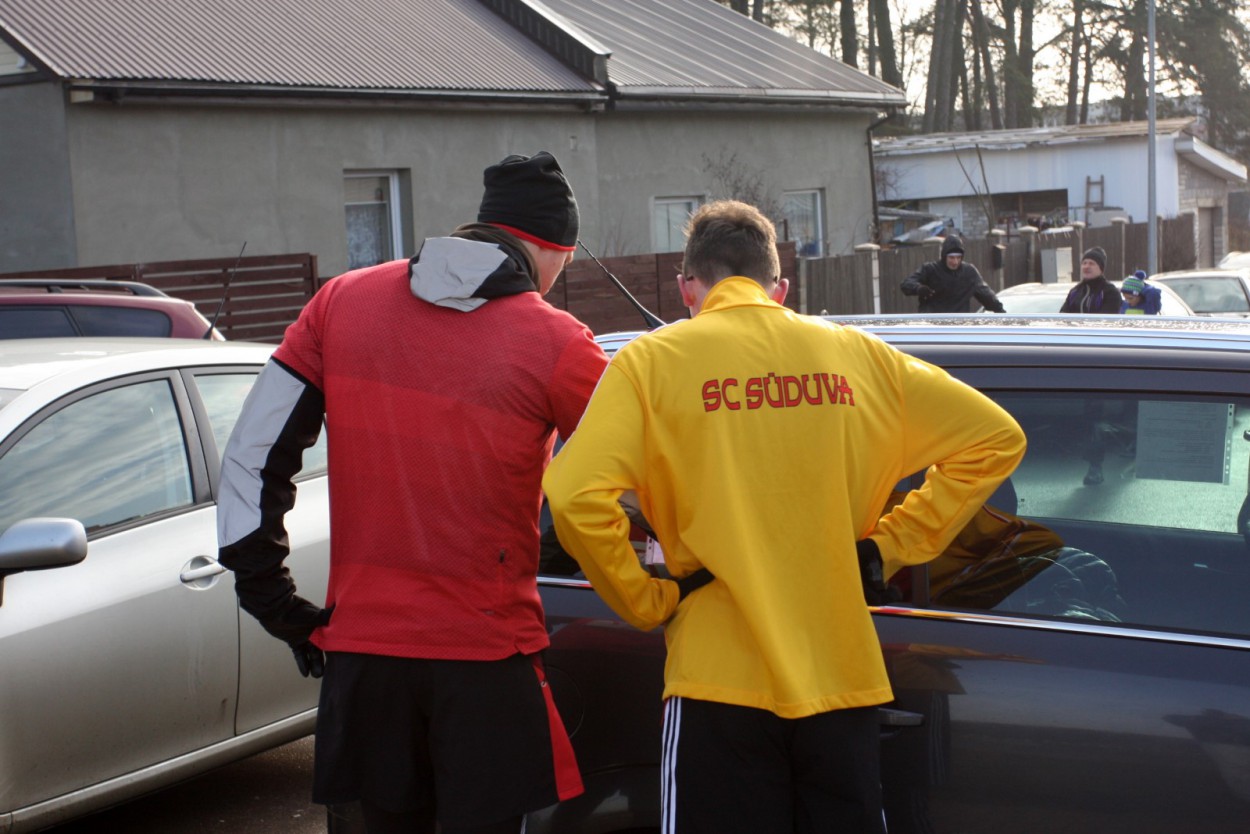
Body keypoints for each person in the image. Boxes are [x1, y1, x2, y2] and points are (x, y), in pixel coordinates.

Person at [542, 200, 1026, 834]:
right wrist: (889, 548)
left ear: (688, 287)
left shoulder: (652, 362)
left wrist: (644, 599)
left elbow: (573, 493)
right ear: (782, 287)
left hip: (717, 681)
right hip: (840, 677)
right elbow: (997, 438)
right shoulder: (859, 357)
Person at [217, 151, 609, 834]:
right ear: (553, 249)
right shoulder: (560, 341)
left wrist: (273, 601)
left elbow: (251, 456)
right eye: (564, 265)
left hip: (366, 664)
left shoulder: (339, 302)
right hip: (487, 662)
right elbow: (635, 481)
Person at [900, 234, 1005, 313]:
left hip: (958, 325)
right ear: (944, 256)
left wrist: (1000, 311)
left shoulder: (969, 273)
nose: (955, 262)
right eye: (951, 257)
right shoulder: (930, 269)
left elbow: (986, 294)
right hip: (932, 324)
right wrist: (918, 288)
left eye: (958, 257)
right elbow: (906, 284)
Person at [1060, 247, 1121, 314]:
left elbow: (1106, 318)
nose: (1086, 267)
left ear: (1101, 269)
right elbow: (1062, 316)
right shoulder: (1075, 292)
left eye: (1091, 263)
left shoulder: (1110, 292)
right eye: (1084, 263)